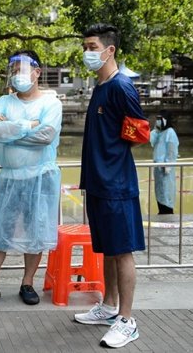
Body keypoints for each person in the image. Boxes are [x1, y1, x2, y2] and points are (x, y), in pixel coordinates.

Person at [0, 50, 62, 306]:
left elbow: (46, 137)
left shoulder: (51, 103)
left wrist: (11, 127)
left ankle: (28, 282)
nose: (18, 76)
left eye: (22, 70)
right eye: (14, 71)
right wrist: (29, 125)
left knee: (36, 229)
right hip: (8, 177)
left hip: (40, 177)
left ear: (37, 72)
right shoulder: (1, 103)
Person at [75, 24, 146, 349]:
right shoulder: (100, 86)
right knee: (106, 248)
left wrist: (113, 159)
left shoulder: (121, 87)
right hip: (98, 185)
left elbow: (140, 132)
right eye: (86, 46)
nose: (87, 52)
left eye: (92, 46)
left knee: (122, 251)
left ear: (109, 50)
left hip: (117, 185)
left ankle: (127, 320)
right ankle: (108, 306)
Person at [150, 110, 179, 215]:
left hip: (166, 171)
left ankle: (167, 217)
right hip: (158, 170)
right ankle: (161, 213)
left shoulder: (170, 132)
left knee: (166, 196)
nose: (158, 121)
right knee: (159, 194)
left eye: (160, 119)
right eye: (157, 119)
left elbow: (172, 150)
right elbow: (151, 141)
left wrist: (168, 165)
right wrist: (155, 130)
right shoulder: (159, 133)